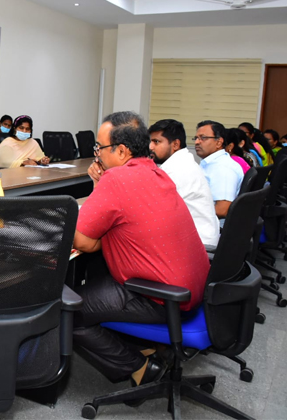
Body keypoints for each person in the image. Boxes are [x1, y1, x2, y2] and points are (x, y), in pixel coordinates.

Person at [74, 111, 209, 387]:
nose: (96, 155)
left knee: (68, 310)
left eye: (99, 148)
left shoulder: (116, 179)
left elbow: (82, 241)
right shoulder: (157, 172)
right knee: (99, 277)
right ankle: (142, 349)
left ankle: (140, 367)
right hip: (192, 287)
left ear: (121, 151)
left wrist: (99, 187)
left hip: (160, 296)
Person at [148, 119, 220, 247]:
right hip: (203, 238)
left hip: (198, 245)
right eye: (150, 141)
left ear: (175, 144)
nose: (151, 147)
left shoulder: (176, 171)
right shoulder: (183, 162)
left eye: (156, 142)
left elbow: (149, 209)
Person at [194, 120, 244, 224]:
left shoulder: (223, 168)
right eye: (196, 138)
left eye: (203, 138)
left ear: (219, 142)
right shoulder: (211, 163)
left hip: (211, 226)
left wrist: (189, 212)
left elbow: (222, 210)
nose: (197, 142)